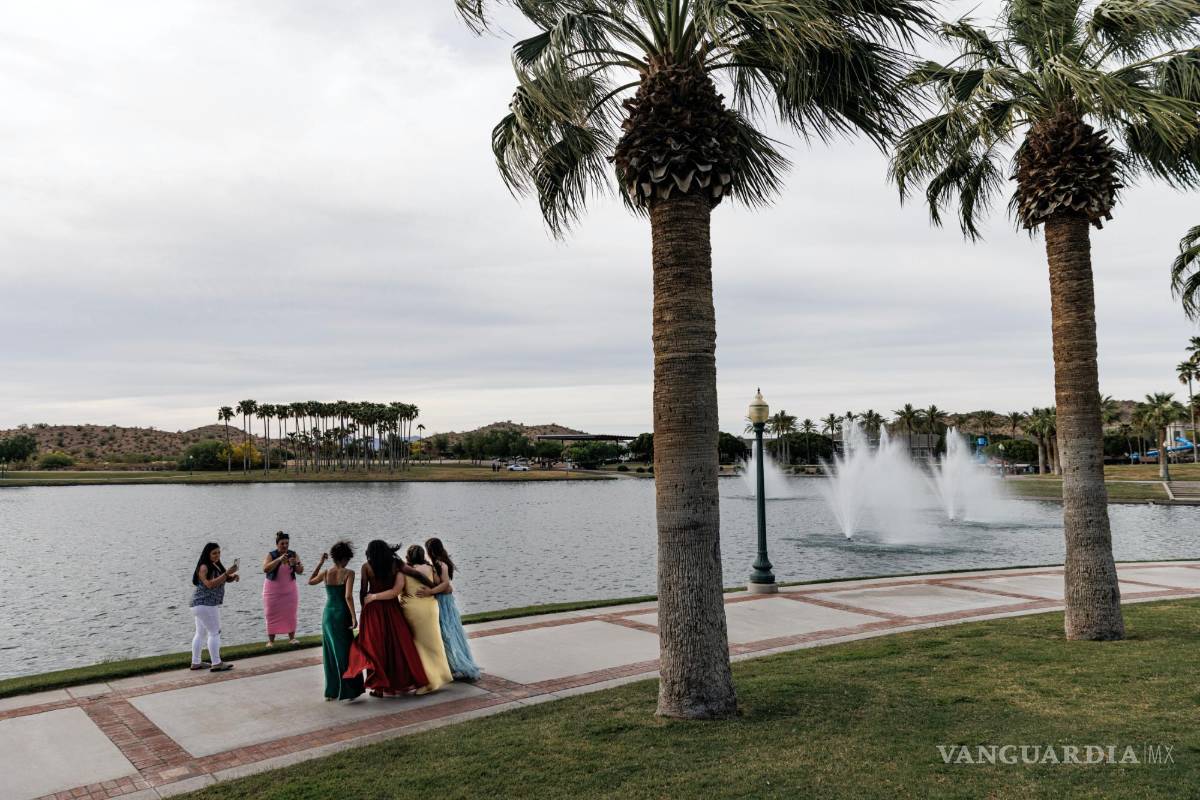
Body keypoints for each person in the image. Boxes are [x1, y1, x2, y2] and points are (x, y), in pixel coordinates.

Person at [345, 540, 431, 697]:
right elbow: (416, 574)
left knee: (375, 648)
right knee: (397, 646)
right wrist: (432, 587)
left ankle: (378, 688)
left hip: (373, 610)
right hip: (392, 609)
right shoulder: (396, 564)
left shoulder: (366, 567)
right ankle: (402, 680)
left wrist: (363, 611)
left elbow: (363, 591)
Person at [416, 537, 480, 681]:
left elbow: (445, 584)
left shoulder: (441, 564)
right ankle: (450, 665)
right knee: (445, 633)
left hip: (444, 602)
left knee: (448, 632)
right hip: (442, 600)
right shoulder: (436, 564)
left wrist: (430, 592)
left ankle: (457, 665)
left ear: (430, 550)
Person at [308, 540, 364, 701]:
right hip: (341, 614)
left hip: (327, 614)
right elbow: (347, 596)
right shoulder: (349, 573)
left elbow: (310, 581)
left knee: (330, 652)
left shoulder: (325, 573)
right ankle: (348, 690)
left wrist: (320, 563)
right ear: (345, 558)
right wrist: (354, 616)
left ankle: (332, 691)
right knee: (346, 652)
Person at [396, 545, 453, 693]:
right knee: (433, 642)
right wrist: (431, 591)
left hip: (412, 610)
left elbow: (400, 590)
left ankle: (427, 681)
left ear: (408, 556)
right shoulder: (430, 568)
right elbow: (443, 585)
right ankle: (440, 675)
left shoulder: (404, 571)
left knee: (417, 645)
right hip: (430, 608)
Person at [190, 542, 239, 672]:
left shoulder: (215, 565)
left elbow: (223, 579)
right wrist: (226, 573)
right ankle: (216, 663)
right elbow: (209, 585)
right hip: (206, 604)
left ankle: (196, 662)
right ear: (207, 554)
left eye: (218, 552)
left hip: (200, 605)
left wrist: (231, 577)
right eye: (214, 553)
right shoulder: (204, 567)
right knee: (215, 632)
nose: (217, 555)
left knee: (200, 633)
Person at [262, 531, 304, 646]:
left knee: (291, 613)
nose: (285, 546)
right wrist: (279, 559)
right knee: (271, 613)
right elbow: (265, 569)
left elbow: (300, 571)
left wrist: (296, 564)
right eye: (282, 543)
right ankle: (271, 641)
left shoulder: (293, 554)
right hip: (272, 590)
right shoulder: (271, 555)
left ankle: (292, 638)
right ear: (277, 544)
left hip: (290, 590)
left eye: (286, 543)